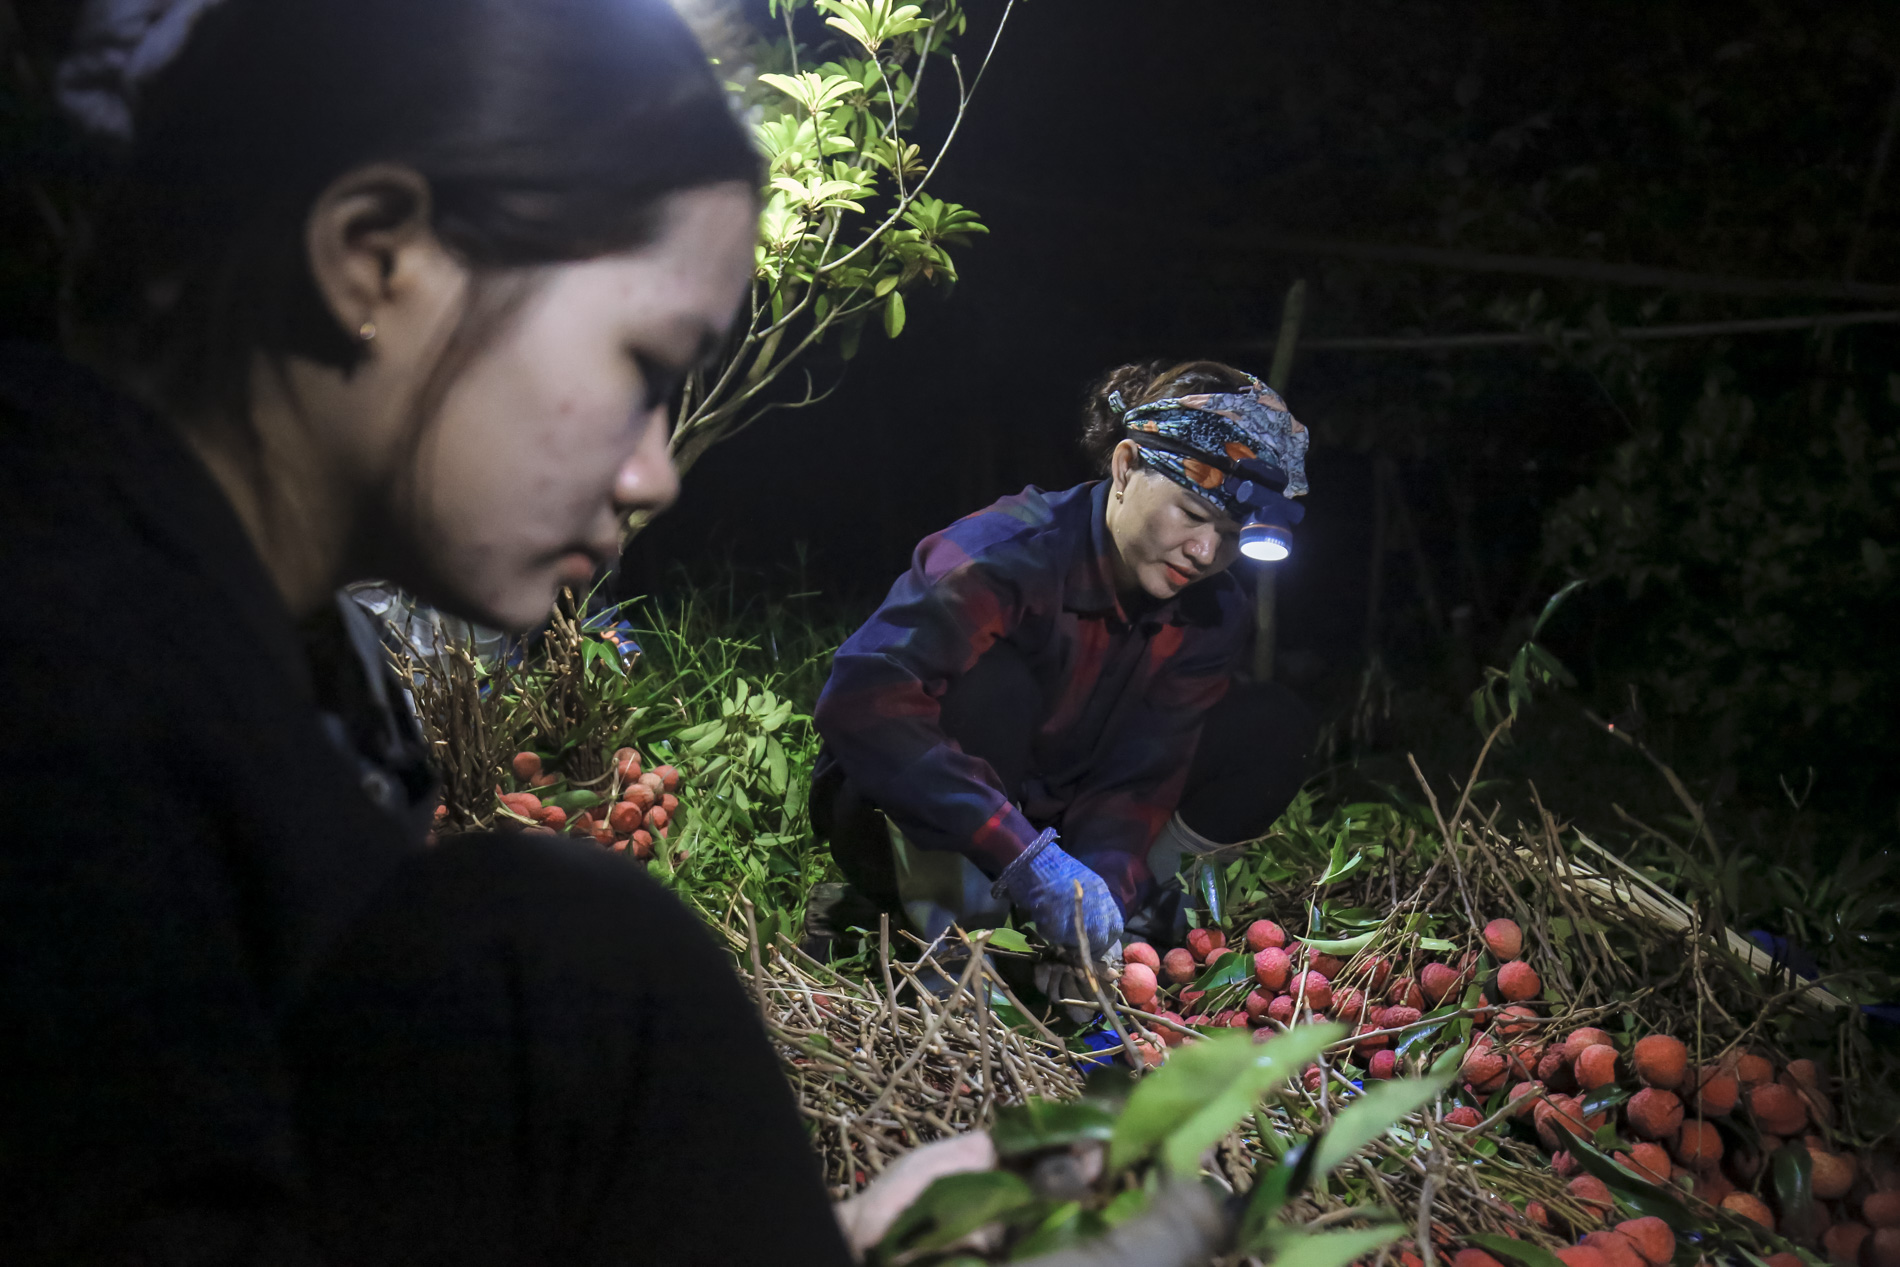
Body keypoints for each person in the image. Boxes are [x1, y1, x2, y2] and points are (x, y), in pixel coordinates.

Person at [0, 1, 863, 1261]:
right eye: (645, 367)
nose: (654, 473)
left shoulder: (279, 673)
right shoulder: (68, 696)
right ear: (373, 255)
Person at [809, 360, 1317, 968]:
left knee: (1269, 723)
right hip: (907, 814)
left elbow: (1139, 777)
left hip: (1058, 814)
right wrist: (1027, 859)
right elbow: (861, 699)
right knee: (995, 688)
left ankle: (1117, 931)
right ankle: (936, 924)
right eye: (1191, 515)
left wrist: (1100, 892)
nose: (1206, 552)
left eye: (1233, 536)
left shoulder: (1215, 610)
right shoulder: (1010, 552)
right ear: (1126, 468)